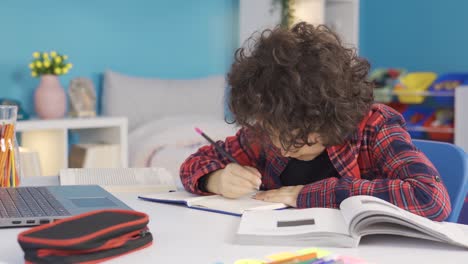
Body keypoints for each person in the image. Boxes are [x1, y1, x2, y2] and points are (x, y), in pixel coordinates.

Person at [179, 22, 451, 221]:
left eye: (297, 138)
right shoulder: (271, 129)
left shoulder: (375, 126)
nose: (282, 147)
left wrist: (307, 195)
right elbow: (194, 164)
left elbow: (431, 198)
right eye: (274, 133)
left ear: (328, 116)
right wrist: (214, 179)